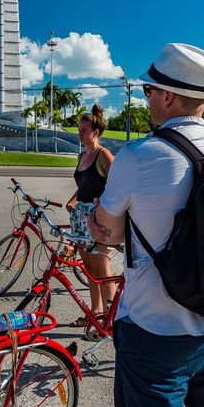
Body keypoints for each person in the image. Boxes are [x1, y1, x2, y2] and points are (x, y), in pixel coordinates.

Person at [88, 42, 204, 407]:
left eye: (148, 92)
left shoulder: (139, 155)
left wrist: (97, 223)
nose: (148, 99)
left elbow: (109, 232)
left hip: (154, 326)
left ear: (168, 96)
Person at [64, 104, 115, 325]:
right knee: (89, 269)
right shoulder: (81, 156)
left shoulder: (102, 155)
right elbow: (85, 184)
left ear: (96, 132)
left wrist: (103, 208)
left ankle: (112, 319)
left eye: (84, 130)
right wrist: (74, 200)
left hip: (97, 218)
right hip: (80, 218)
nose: (79, 133)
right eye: (79, 129)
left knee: (102, 269)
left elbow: (117, 185)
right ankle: (95, 312)